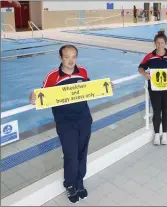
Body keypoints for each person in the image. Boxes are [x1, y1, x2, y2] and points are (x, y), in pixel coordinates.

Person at [29, 45, 114, 204]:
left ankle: (79, 181)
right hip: (65, 123)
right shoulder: (52, 76)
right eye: (67, 57)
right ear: (60, 58)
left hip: (84, 119)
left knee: (82, 152)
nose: (71, 60)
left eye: (74, 56)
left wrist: (107, 88)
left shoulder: (83, 71)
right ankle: (69, 183)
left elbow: (90, 89)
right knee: (71, 155)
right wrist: (32, 98)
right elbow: (43, 97)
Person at [138, 29, 167, 145]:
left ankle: (164, 134)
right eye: (157, 43)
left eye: (162, 43)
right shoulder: (149, 56)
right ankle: (157, 134)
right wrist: (145, 74)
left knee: (165, 111)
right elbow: (140, 68)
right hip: (155, 89)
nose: (160, 45)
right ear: (155, 43)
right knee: (157, 111)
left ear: (165, 43)